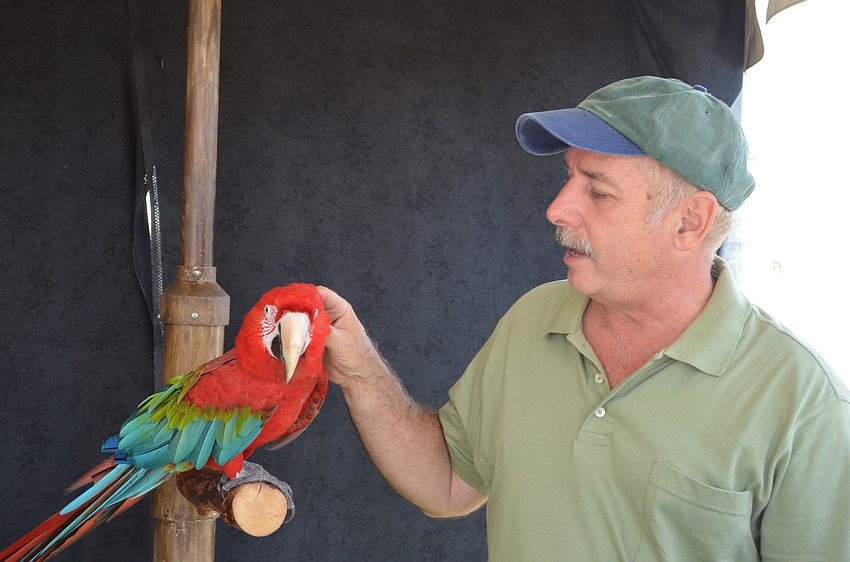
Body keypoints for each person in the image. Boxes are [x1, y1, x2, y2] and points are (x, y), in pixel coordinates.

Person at [318, 76, 850, 560]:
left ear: (690, 222)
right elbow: (450, 483)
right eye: (569, 177)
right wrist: (363, 372)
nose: (557, 208)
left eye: (597, 191)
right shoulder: (534, 318)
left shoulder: (803, 404)